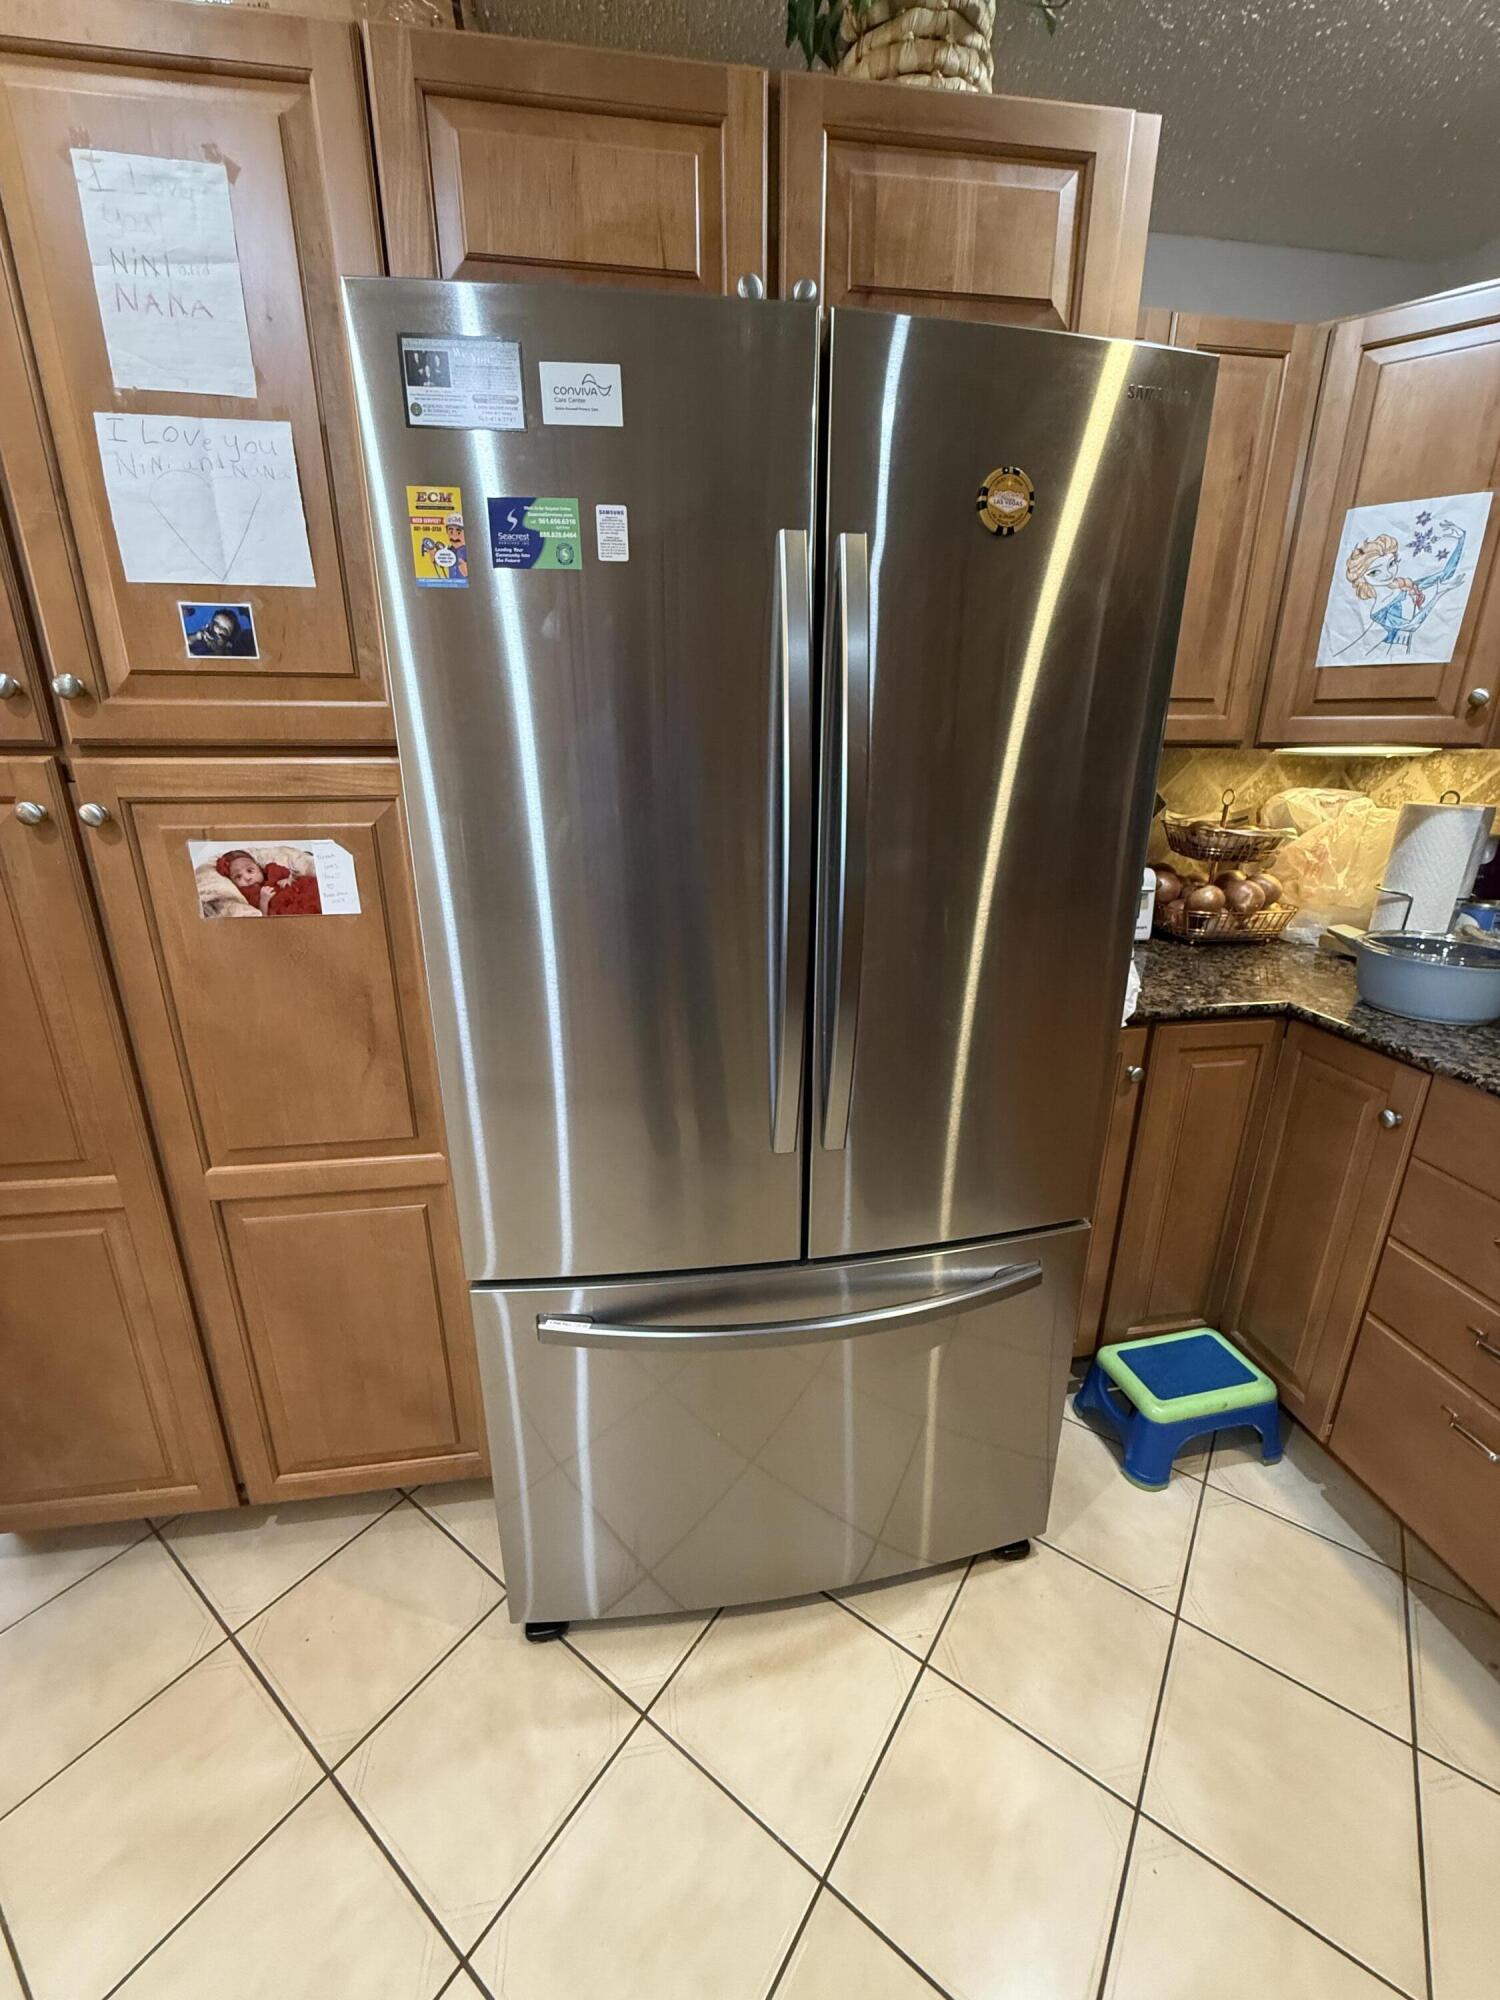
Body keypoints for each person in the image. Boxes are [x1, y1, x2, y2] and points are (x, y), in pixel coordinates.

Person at [1339, 519, 1468, 655]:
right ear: (1361, 578)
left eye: (1391, 564)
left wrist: (1461, 539)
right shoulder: (1378, 612)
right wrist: (1438, 595)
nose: (1388, 574)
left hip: (1408, 650)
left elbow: (1444, 575)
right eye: (1374, 572)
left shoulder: (1404, 588)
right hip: (1390, 653)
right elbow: (1411, 625)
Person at [214, 848, 322, 917]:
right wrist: (264, 901)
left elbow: (293, 875)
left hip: (299, 893)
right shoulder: (249, 894)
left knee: (314, 888)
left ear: (258, 868)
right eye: (238, 877)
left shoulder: (272, 871)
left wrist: (289, 880)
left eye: (250, 871)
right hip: (286, 910)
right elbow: (263, 917)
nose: (247, 878)